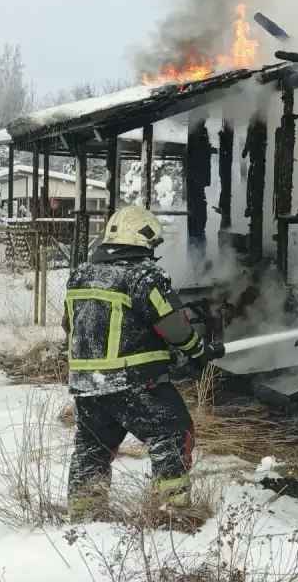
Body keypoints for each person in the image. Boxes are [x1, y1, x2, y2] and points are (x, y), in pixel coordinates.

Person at [61, 205, 223, 521]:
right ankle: (172, 512)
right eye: (152, 243)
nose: (153, 251)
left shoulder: (79, 276)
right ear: (143, 238)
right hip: (135, 383)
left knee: (91, 449)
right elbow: (174, 327)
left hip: (86, 385)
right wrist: (196, 351)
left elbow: (69, 324)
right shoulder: (145, 276)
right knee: (172, 434)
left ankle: (83, 518)